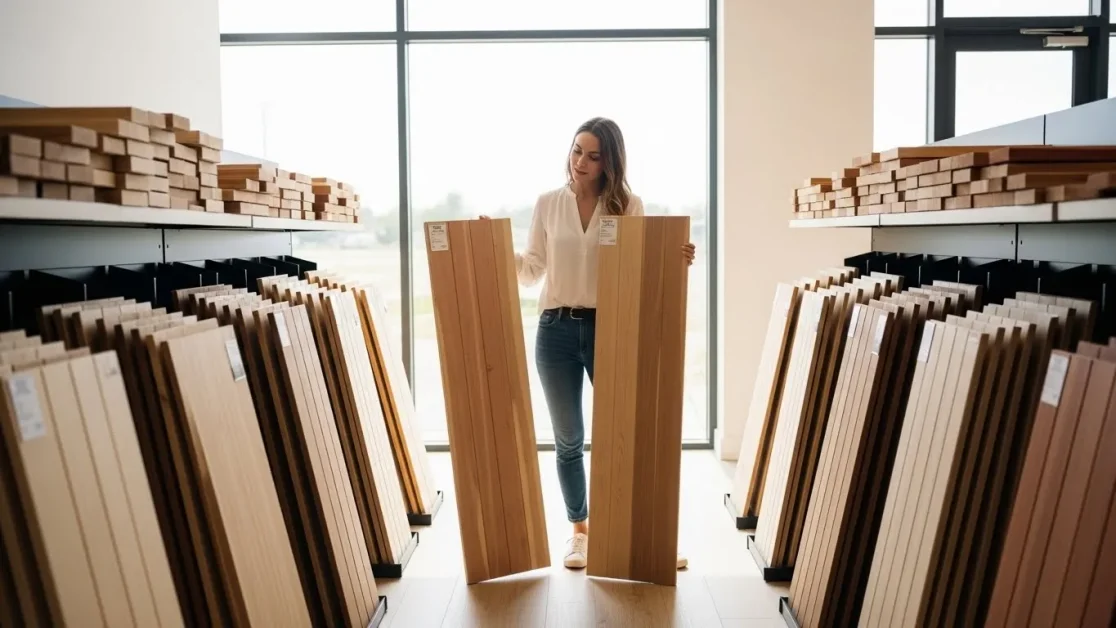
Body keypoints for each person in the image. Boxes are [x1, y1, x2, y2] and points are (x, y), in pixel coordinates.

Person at [484, 116, 696, 570]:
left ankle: (641, 535)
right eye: (577, 150)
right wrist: (495, 246)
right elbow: (531, 270)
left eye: (593, 155)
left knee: (624, 434)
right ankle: (579, 532)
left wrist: (675, 258)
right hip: (555, 331)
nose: (581, 162)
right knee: (568, 440)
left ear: (610, 162)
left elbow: (640, 271)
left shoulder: (628, 205)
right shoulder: (548, 203)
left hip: (610, 328)